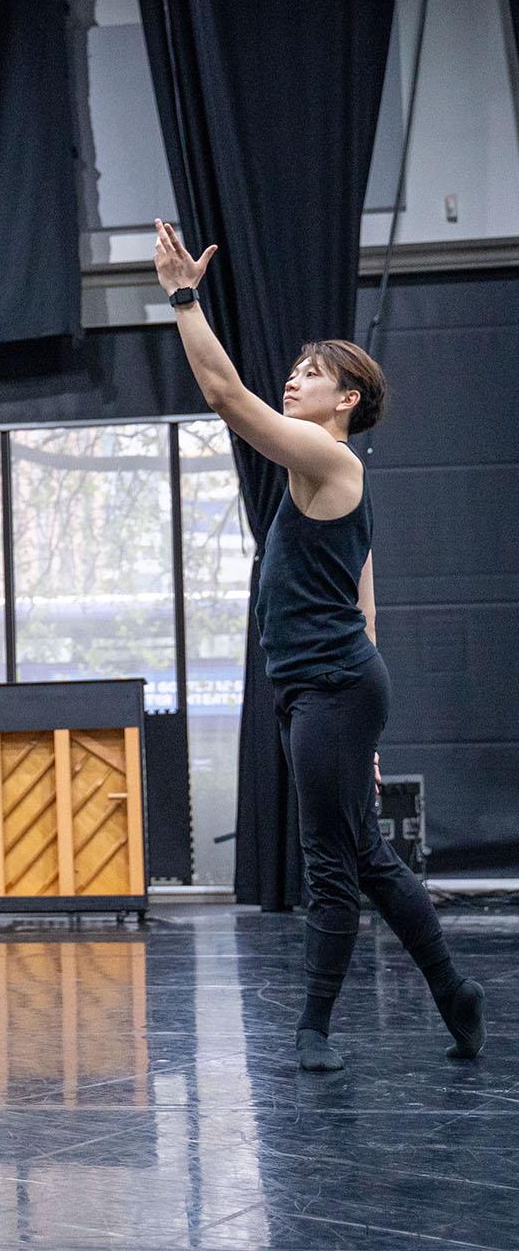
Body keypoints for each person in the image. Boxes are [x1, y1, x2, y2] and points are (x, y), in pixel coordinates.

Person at [154, 219, 485, 1072]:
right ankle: (453, 994)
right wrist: (364, 732)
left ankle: (314, 1028)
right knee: (363, 854)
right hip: (334, 687)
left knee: (332, 860)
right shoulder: (321, 476)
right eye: (295, 369)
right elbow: (363, 597)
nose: (295, 379)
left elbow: (227, 398)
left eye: (314, 374)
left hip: (332, 687)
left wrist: (184, 298)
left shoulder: (329, 460)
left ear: (347, 402)